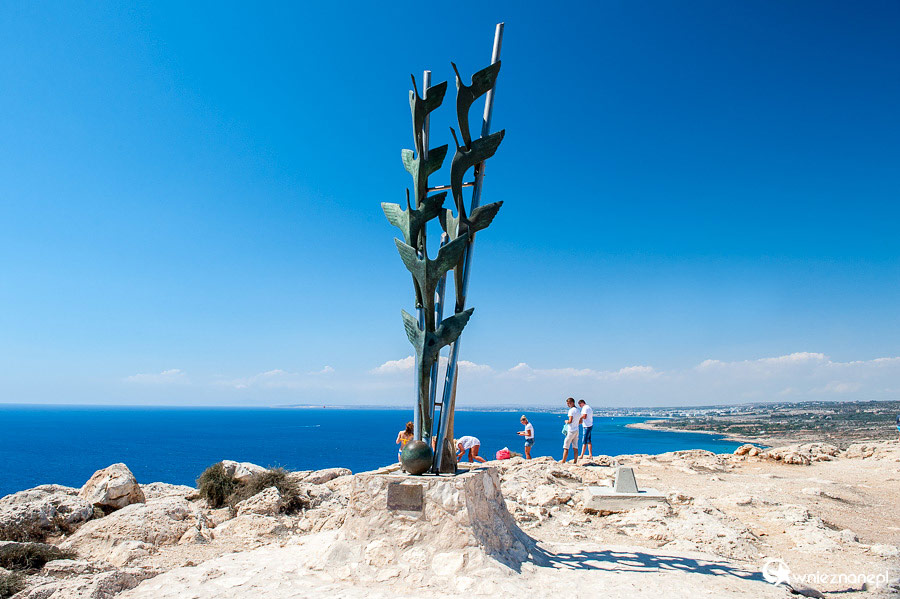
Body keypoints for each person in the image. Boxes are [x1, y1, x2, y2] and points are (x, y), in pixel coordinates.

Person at [561, 397, 579, 464]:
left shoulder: (571, 411)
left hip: (571, 430)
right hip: (576, 430)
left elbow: (570, 420)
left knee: (566, 446)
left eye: (569, 403)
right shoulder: (578, 410)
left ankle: (563, 461)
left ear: (572, 403)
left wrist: (566, 421)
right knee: (575, 446)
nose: (568, 405)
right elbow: (580, 421)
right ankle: (575, 461)